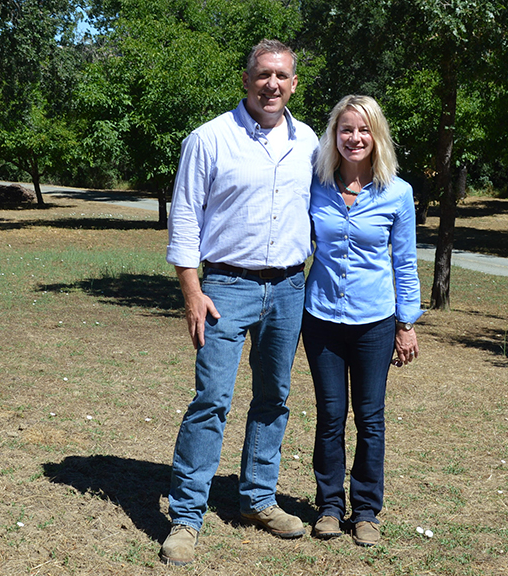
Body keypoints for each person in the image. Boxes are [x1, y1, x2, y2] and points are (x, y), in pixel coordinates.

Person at [161, 39, 318, 566]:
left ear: (293, 84)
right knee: (212, 400)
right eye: (263, 74)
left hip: (289, 287)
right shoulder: (209, 138)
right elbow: (185, 217)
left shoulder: (308, 142)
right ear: (246, 79)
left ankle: (257, 499)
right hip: (225, 288)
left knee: (274, 397)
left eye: (282, 75)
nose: (272, 84)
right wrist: (192, 291)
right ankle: (186, 517)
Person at [301, 95, 422, 547]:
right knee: (330, 415)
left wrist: (406, 324)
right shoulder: (315, 184)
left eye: (364, 129)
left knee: (370, 418)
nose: (355, 137)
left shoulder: (398, 192)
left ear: (377, 136)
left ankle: (366, 510)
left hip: (375, 321)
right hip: (321, 318)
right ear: (334, 135)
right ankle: (330, 507)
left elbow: (405, 262)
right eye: (346, 129)